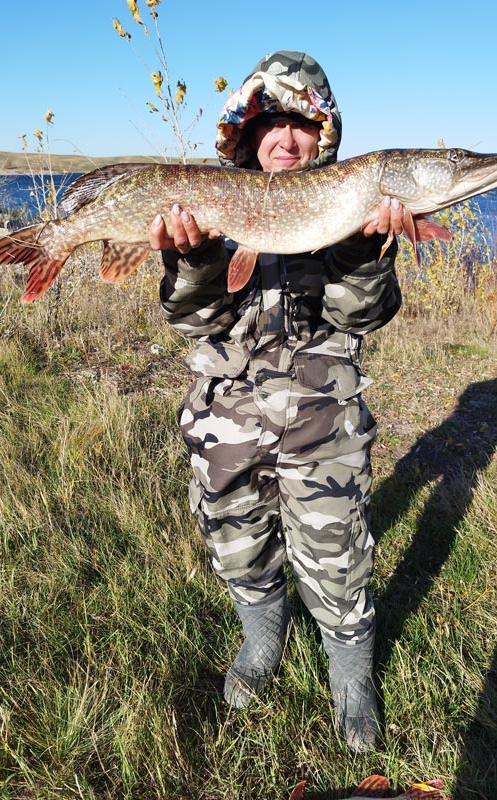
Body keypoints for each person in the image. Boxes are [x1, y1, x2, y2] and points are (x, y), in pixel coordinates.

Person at [150, 50, 404, 753]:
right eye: (270, 123)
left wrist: (363, 249)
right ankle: (262, 641)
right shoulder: (216, 208)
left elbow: (364, 317)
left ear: (321, 134)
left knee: (336, 553)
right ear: (246, 133)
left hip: (324, 422)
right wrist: (195, 259)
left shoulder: (350, 203)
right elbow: (191, 322)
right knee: (236, 544)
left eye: (301, 123)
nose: (285, 139)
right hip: (223, 421)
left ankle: (351, 676)